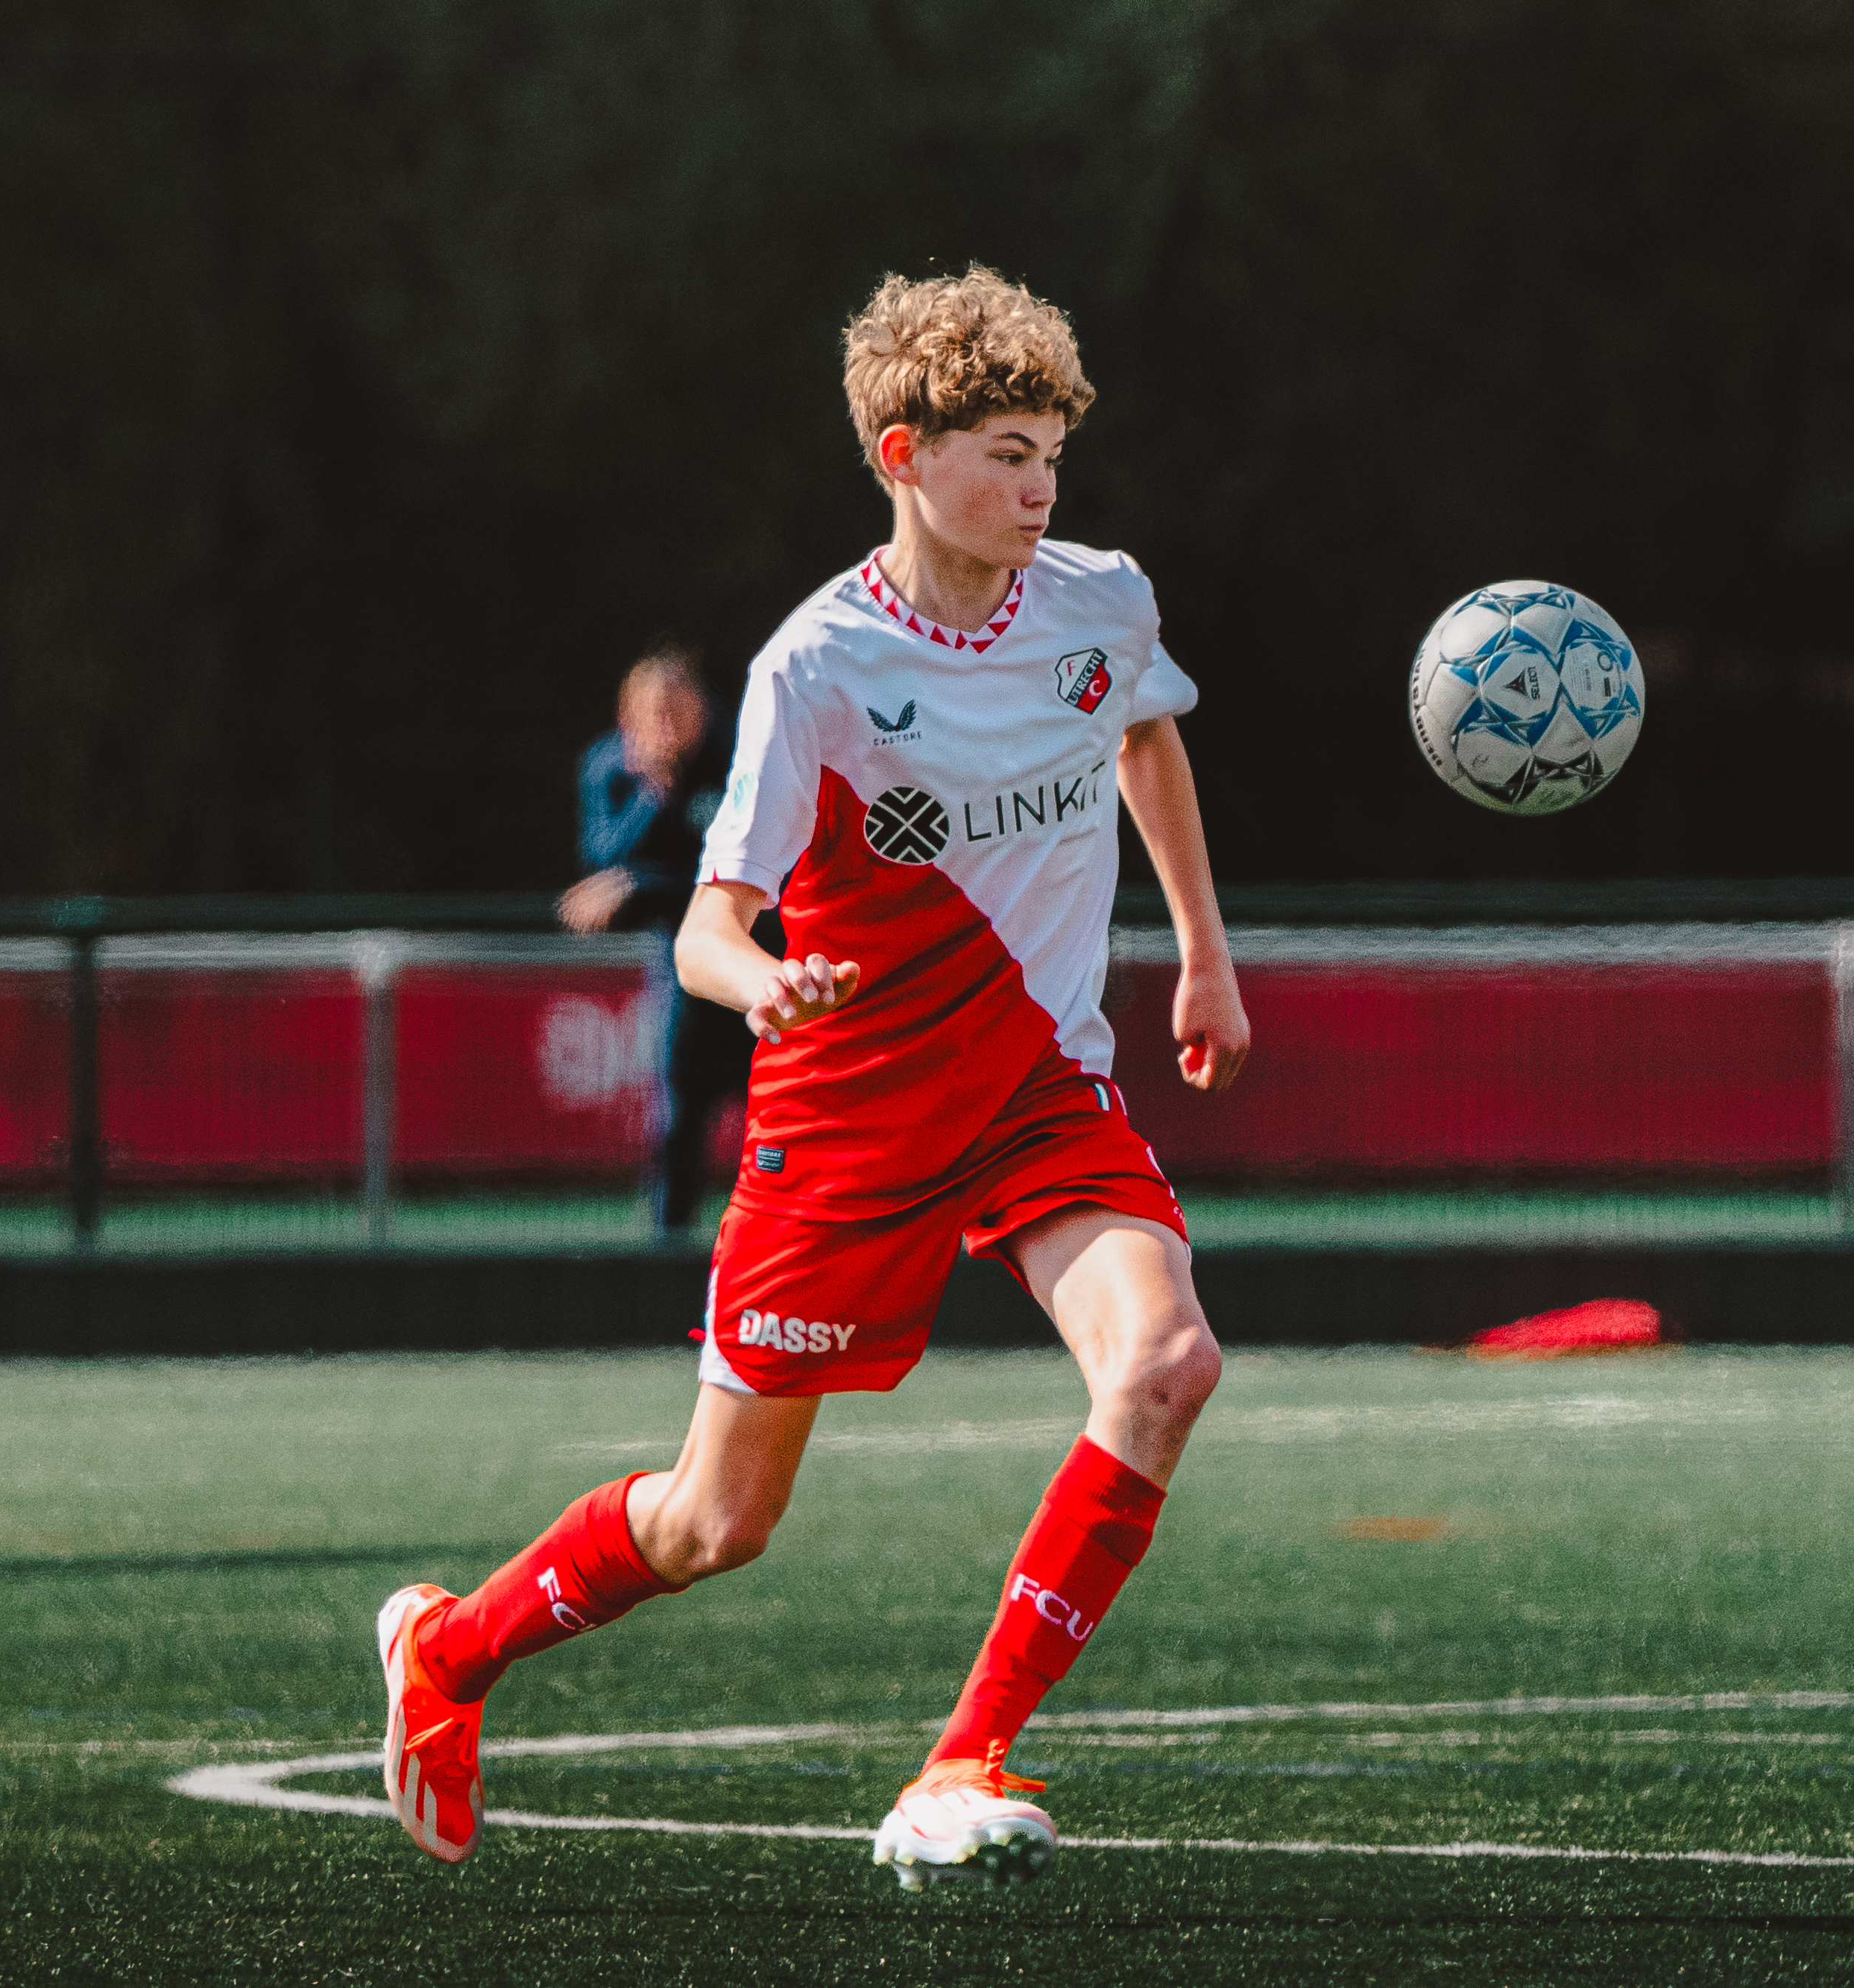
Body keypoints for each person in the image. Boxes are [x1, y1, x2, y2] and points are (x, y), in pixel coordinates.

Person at [376, 266, 1250, 1890]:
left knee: (1167, 1362)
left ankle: (959, 1759)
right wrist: (769, 977)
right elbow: (707, 926)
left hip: (1037, 1091)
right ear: (901, 455)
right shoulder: (816, 668)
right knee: (718, 1524)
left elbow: (1144, 734)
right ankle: (449, 1647)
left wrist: (1201, 947)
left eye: (1053, 448)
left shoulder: (1098, 600)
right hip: (845, 1123)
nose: (1040, 483)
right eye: (1005, 449)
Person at [559, 649, 778, 1239]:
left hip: (756, 967)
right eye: (654, 712)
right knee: (678, 1123)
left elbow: (746, 879)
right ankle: (666, 1256)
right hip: (681, 980)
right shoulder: (610, 770)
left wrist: (638, 886)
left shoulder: (743, 761)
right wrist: (655, 793)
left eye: (679, 708)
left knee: (781, 1128)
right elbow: (601, 864)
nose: (669, 723)